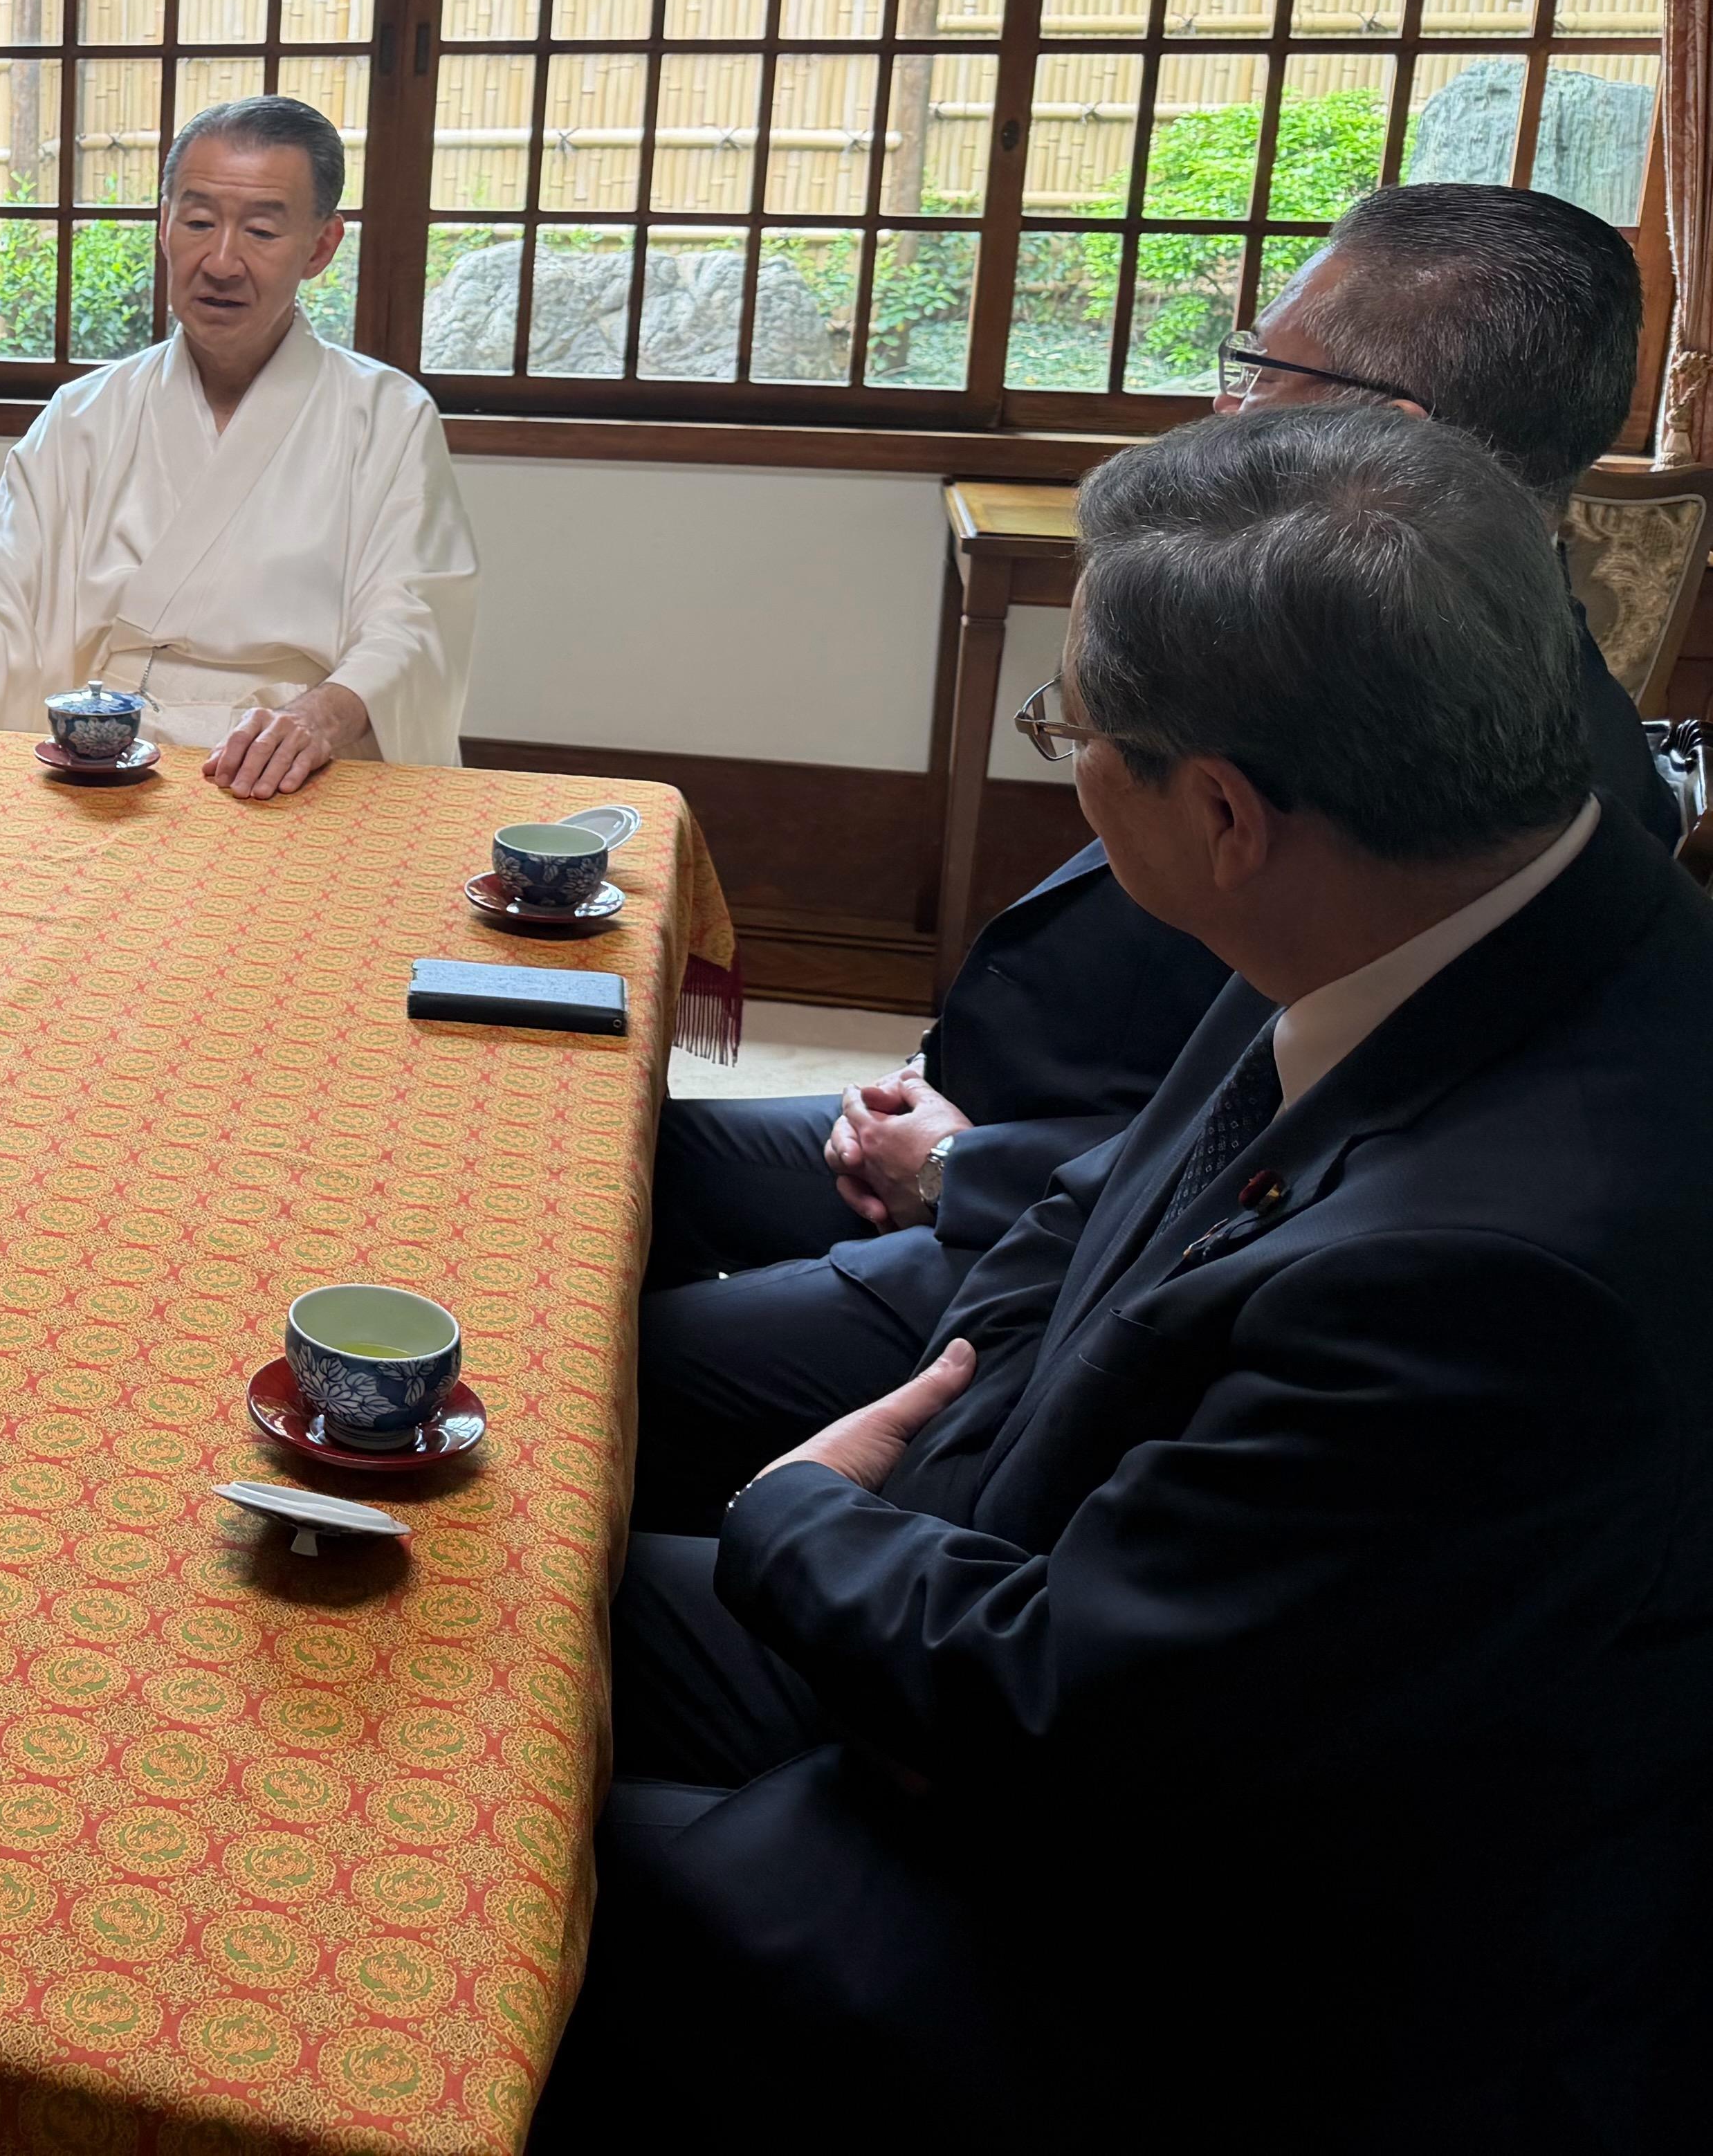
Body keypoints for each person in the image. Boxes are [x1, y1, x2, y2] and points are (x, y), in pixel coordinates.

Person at [549, 403, 1713, 2153]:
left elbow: (1070, 1723)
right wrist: (946, 1431)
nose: (1072, 765)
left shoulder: (1497, 1290)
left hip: (1197, 1962)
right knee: (480, 1598)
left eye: (1076, 729)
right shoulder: (1425, 893)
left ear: (1225, 812)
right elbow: (1093, 1210)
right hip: (1034, 1599)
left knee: (447, 1882)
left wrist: (799, 1515)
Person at [634, 180, 1679, 1529]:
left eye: (1262, 366)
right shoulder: (1340, 638)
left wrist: (957, 1178)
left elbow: (1271, 1169)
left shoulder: (1496, 787)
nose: (1227, 405)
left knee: (608, 1367)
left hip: (1069, 1248)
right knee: (610, 1166)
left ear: (1383, 431)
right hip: (1032, 1172)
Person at [0, 94, 476, 798]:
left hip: (290, 764)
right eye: (198, 222)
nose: (221, 261)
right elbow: (0, 586)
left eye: (261, 230)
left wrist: (319, 719)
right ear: (164, 227)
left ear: (320, 246)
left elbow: (413, 621)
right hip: (104, 763)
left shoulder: (387, 418)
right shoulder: (86, 413)